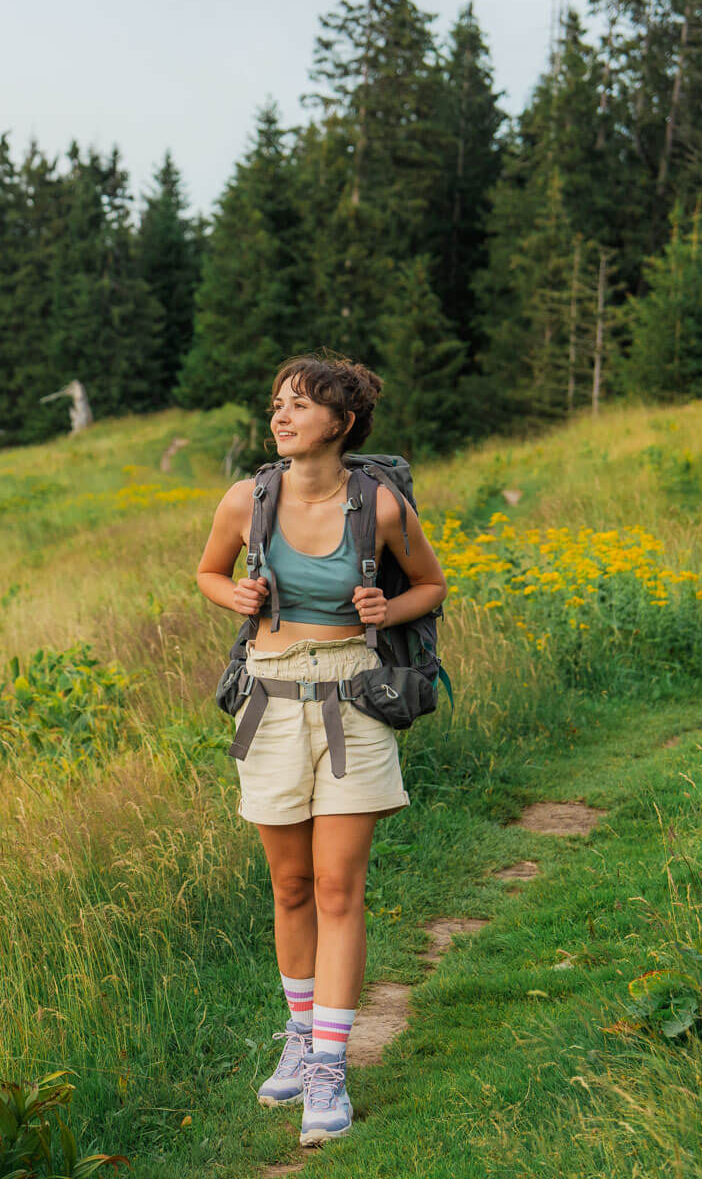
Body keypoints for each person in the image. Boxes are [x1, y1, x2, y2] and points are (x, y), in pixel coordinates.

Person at [193, 352, 447, 1146]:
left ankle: (329, 1071)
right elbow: (207, 571)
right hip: (268, 698)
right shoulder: (246, 499)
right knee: (291, 883)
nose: (281, 415)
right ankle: (300, 1038)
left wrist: (386, 602)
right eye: (276, 403)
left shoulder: (381, 507)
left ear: (340, 422)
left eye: (299, 404)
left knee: (339, 888)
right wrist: (231, 592)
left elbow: (432, 585)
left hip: (352, 696)